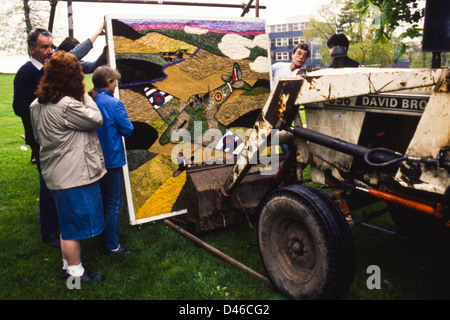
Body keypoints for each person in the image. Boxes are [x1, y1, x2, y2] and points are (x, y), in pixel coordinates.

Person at [13, 26, 105, 248]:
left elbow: (79, 55)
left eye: (51, 46)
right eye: (44, 47)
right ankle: (50, 231)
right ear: (32, 49)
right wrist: (47, 110)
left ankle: (63, 227)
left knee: (57, 183)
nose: (49, 51)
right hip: (43, 136)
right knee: (49, 185)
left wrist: (102, 37)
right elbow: (20, 106)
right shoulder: (26, 72)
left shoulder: (51, 67)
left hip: (59, 131)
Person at [30, 50, 106, 282]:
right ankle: (76, 274)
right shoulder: (66, 106)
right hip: (73, 176)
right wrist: (85, 94)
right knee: (74, 228)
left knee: (67, 223)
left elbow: (37, 136)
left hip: (55, 173)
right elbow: (96, 119)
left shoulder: (36, 104)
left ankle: (69, 266)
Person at [88, 66, 136, 256]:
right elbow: (128, 130)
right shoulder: (114, 103)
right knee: (114, 202)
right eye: (115, 81)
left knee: (101, 199)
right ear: (108, 83)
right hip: (112, 159)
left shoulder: (91, 100)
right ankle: (113, 245)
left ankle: (105, 236)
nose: (117, 85)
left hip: (94, 159)